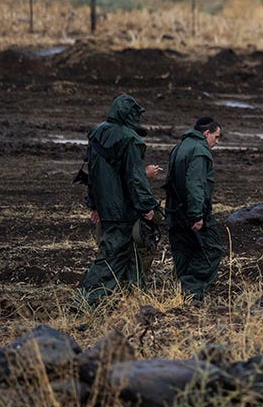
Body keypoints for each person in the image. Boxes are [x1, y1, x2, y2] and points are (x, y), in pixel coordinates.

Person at [79, 94, 162, 305]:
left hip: (107, 206)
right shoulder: (130, 139)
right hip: (122, 209)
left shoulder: (98, 133)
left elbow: (93, 172)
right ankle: (85, 301)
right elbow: (134, 177)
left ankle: (135, 296)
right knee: (112, 255)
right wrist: (147, 205)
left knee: (131, 252)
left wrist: (94, 204)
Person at [163, 117, 225, 302]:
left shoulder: (179, 147)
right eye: (216, 136)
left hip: (176, 211)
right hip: (192, 212)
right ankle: (191, 291)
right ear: (206, 133)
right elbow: (196, 185)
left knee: (184, 249)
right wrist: (197, 215)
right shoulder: (199, 150)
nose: (217, 141)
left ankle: (180, 291)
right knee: (212, 249)